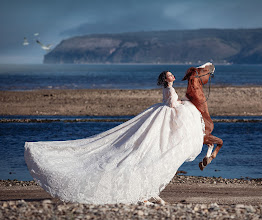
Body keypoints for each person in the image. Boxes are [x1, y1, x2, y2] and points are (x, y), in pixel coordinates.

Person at [24, 70, 205, 205]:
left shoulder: (168, 88)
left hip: (161, 114)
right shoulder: (170, 89)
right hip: (166, 115)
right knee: (150, 148)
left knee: (151, 148)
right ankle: (142, 193)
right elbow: (172, 104)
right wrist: (183, 103)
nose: (173, 76)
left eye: (172, 75)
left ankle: (146, 192)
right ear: (166, 79)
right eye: (170, 75)